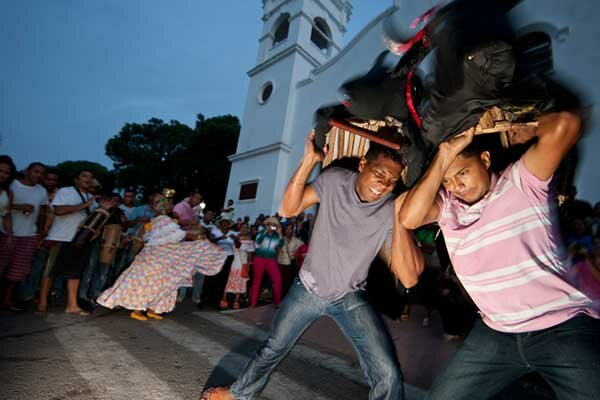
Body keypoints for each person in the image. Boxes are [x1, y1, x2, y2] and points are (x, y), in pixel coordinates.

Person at [201, 132, 423, 400]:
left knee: (387, 371)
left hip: (349, 296)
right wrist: (309, 160)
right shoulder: (335, 180)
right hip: (307, 287)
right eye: (380, 174)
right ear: (363, 165)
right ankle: (237, 395)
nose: (385, 184)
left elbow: (409, 279)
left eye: (392, 180)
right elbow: (287, 208)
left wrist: (399, 217)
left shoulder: (390, 207)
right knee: (273, 348)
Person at [399, 111, 600, 399]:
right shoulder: (447, 207)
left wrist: (526, 129)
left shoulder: (520, 182)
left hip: (559, 325)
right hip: (496, 332)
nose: (456, 185)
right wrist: (444, 154)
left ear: (485, 160)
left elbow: (567, 124)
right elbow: (408, 218)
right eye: (447, 181)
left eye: (462, 173)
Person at [97, 214, 225, 320]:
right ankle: (137, 310)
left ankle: (154, 308)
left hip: (161, 260)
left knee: (165, 283)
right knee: (146, 283)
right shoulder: (162, 221)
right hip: (150, 259)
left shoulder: (170, 227)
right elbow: (173, 235)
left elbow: (179, 238)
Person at [37, 169, 114, 315]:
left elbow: (91, 221)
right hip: (61, 237)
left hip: (80, 240)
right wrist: (85, 205)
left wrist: (102, 209)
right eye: (84, 176)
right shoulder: (65, 192)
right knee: (50, 271)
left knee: (75, 273)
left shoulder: (90, 196)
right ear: (76, 179)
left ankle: (72, 305)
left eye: (91, 177)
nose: (88, 179)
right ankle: (42, 303)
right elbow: (58, 211)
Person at [0, 162, 47, 310]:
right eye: (35, 171)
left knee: (18, 271)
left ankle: (7, 300)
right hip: (6, 232)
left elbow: (42, 213)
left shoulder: (42, 191)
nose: (38, 175)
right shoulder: (11, 185)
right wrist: (21, 207)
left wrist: (40, 232)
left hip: (28, 235)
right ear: (27, 170)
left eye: (41, 173)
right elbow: (4, 207)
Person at [249, 216, 283, 307]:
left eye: (274, 225)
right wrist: (264, 233)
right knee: (257, 281)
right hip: (259, 258)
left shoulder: (277, 236)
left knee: (277, 280)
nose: (272, 226)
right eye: (270, 224)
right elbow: (256, 245)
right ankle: (253, 303)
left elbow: (281, 245)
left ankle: (277, 302)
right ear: (267, 225)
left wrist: (280, 235)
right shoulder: (261, 233)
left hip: (271, 260)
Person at [220, 222, 254, 309]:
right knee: (230, 280)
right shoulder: (236, 237)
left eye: (246, 227)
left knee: (240, 281)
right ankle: (224, 299)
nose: (244, 229)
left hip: (243, 263)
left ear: (248, 229)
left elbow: (249, 253)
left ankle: (236, 300)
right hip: (235, 263)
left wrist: (249, 265)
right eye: (242, 227)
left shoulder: (249, 240)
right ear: (240, 228)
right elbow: (236, 246)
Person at [276, 223, 304, 297]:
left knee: (289, 282)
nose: (288, 231)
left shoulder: (297, 241)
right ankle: (280, 298)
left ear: (293, 230)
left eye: (290, 229)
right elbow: (276, 251)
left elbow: (303, 250)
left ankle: (286, 298)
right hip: (281, 263)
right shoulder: (281, 239)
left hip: (291, 263)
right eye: (287, 229)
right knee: (280, 281)